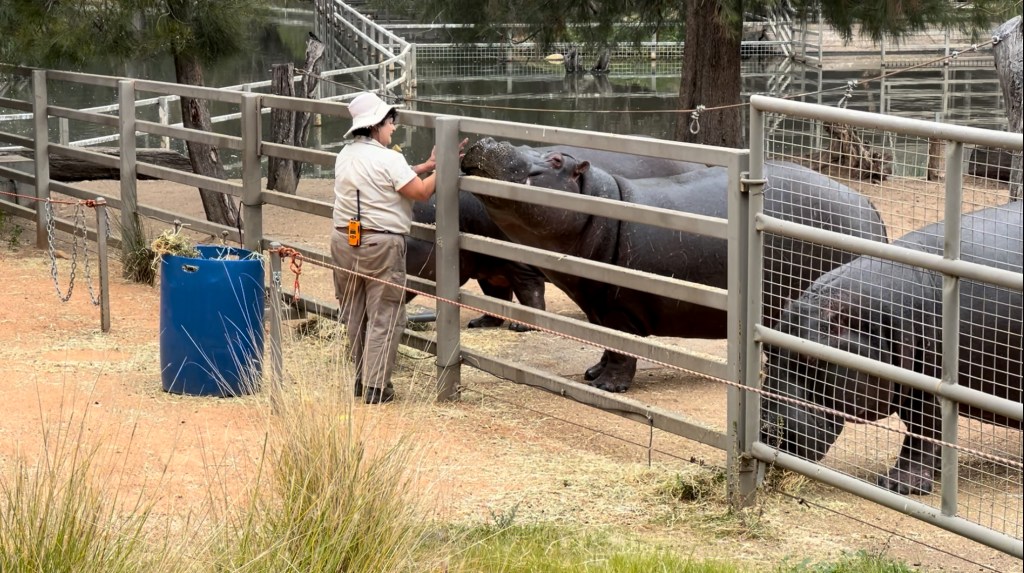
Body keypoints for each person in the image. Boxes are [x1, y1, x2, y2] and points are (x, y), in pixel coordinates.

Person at [331, 91, 464, 404]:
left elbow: (383, 177)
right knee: (385, 313)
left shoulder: (345, 154)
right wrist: (442, 166)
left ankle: (361, 379)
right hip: (381, 243)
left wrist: (424, 165)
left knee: (353, 310)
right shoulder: (390, 159)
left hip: (343, 239)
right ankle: (378, 386)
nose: (393, 127)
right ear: (376, 125)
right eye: (390, 122)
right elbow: (419, 193)